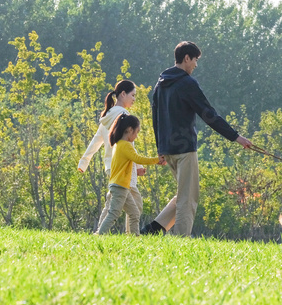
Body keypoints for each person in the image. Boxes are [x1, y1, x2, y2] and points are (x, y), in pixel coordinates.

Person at [151, 41, 255, 237]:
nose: (196, 65)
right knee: (188, 198)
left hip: (168, 149)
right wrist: (236, 137)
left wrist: (160, 148)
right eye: (195, 60)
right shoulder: (187, 83)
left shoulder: (160, 84)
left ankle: (153, 229)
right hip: (185, 150)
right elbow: (208, 114)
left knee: (184, 195)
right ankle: (181, 240)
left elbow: (155, 117)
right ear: (186, 58)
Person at [78, 80, 145, 234]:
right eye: (132, 95)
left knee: (111, 204)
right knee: (135, 204)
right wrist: (139, 166)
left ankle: (98, 234)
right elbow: (129, 145)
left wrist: (84, 162)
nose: (134, 99)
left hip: (111, 167)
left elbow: (96, 141)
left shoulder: (107, 116)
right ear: (122, 94)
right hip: (124, 168)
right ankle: (132, 237)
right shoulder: (123, 116)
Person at [95, 114, 166, 234]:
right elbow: (138, 159)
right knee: (113, 214)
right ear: (129, 130)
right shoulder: (125, 145)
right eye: (136, 132)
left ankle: (135, 238)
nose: (137, 136)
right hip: (120, 186)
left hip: (122, 186)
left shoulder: (118, 144)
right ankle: (99, 235)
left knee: (134, 214)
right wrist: (156, 159)